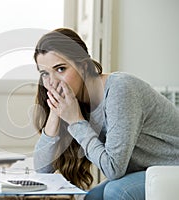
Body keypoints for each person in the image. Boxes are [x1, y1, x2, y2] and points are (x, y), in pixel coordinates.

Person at [32, 28, 179, 200]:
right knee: (92, 197)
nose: (52, 82)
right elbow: (42, 169)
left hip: (173, 168)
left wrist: (75, 121)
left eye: (60, 69)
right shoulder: (75, 102)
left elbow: (113, 169)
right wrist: (56, 112)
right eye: (45, 74)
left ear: (84, 66)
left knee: (117, 191)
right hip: (149, 171)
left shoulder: (120, 89)